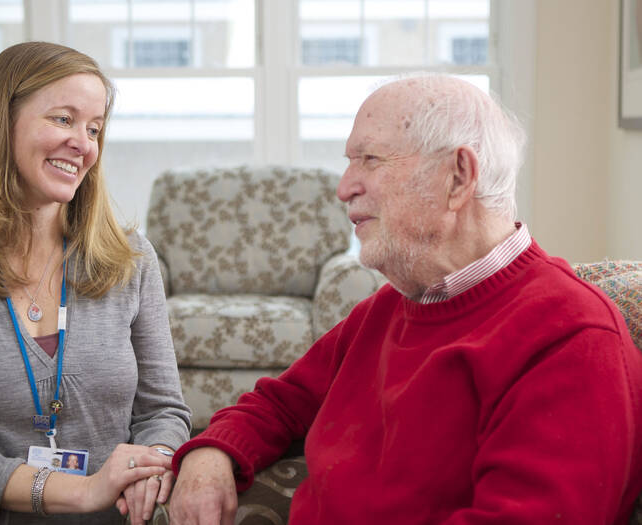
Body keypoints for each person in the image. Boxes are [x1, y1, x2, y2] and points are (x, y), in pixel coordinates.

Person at [168, 74, 642, 524]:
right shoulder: (393, 306)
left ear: (458, 178)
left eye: (369, 159)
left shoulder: (571, 338)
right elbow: (280, 402)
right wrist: (214, 452)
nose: (343, 186)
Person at [0, 41, 191, 524]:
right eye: (63, 119)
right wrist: (87, 490)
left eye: (94, 129)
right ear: (1, 123)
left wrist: (149, 468)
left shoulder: (131, 259)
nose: (84, 144)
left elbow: (163, 412)